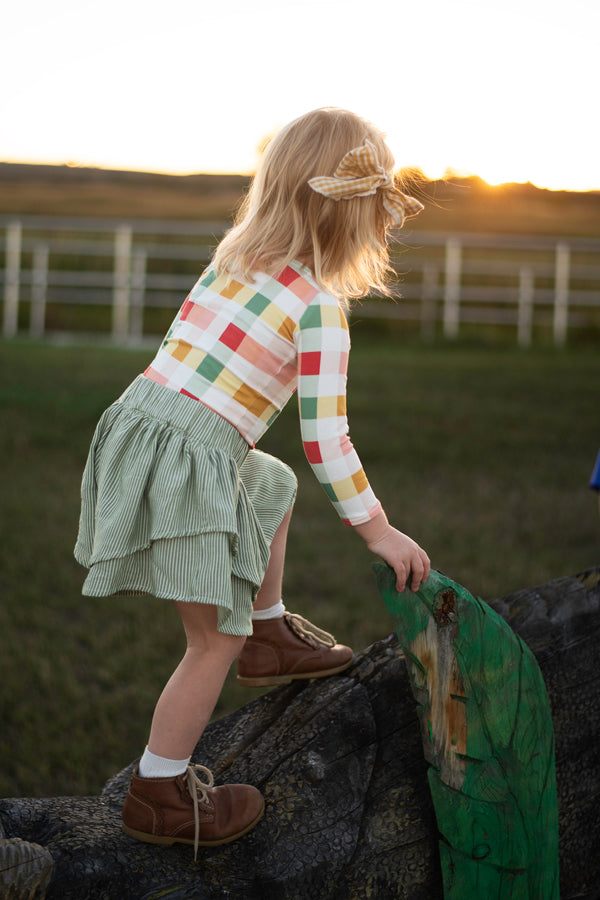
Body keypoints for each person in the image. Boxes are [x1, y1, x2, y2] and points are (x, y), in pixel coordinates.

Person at [74, 107, 431, 858]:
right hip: (189, 456)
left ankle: (269, 630)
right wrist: (376, 526)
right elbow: (325, 437)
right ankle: (159, 791)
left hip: (143, 428)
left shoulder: (235, 262)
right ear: (356, 212)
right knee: (211, 641)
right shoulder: (319, 307)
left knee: (267, 482)